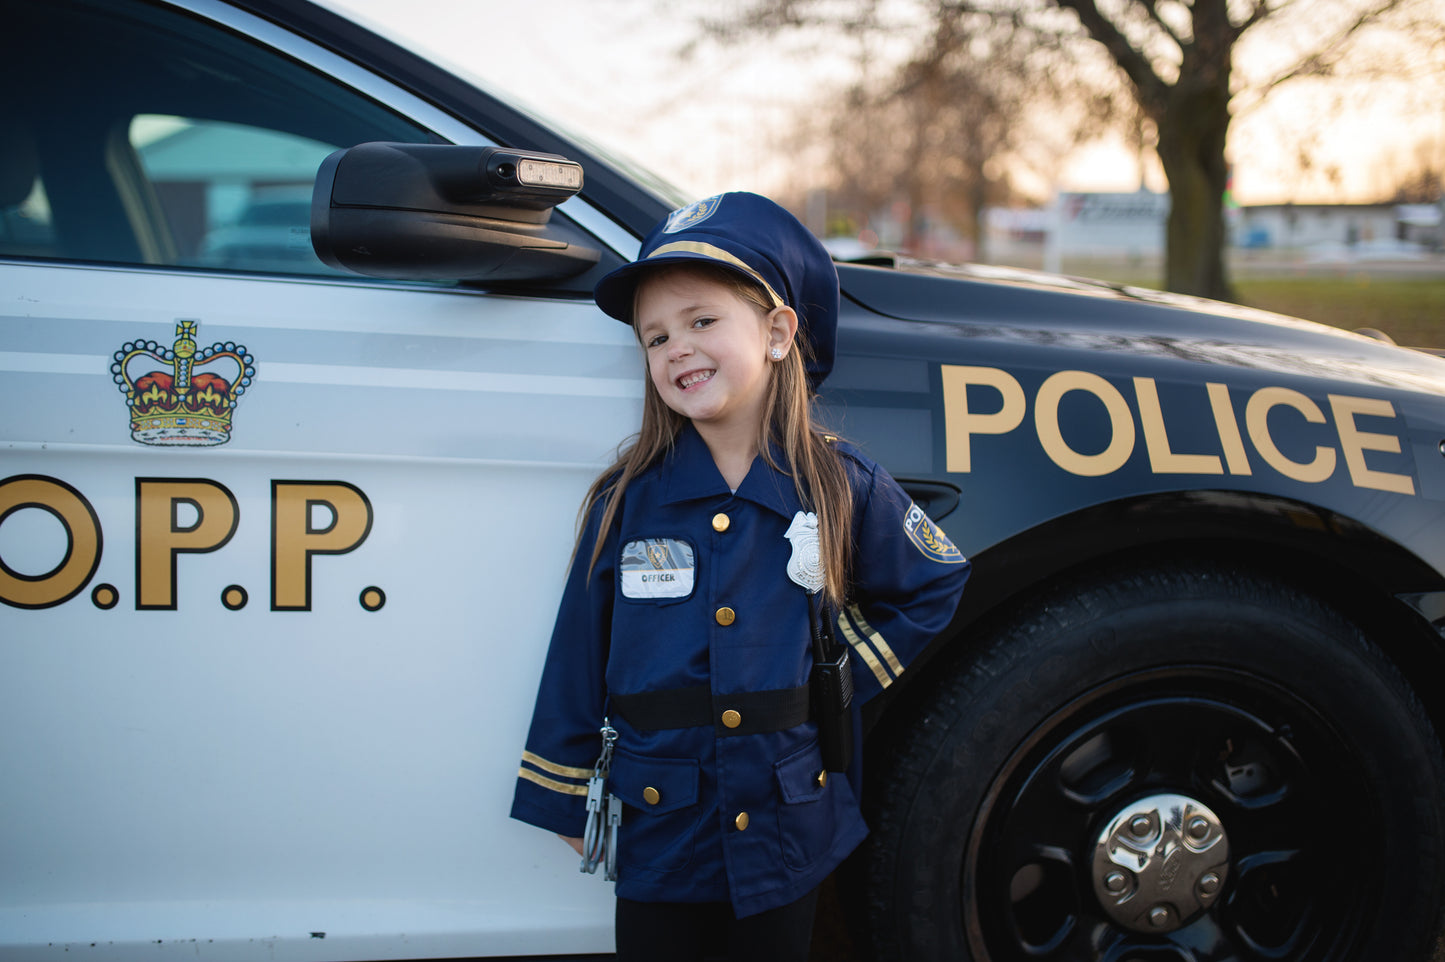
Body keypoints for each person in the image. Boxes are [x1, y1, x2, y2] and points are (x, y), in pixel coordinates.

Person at [510, 192, 970, 961]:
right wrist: (560, 785)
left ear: (779, 332)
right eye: (654, 337)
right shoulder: (628, 499)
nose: (675, 349)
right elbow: (577, 648)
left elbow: (934, 583)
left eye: (700, 321)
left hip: (787, 815)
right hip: (663, 820)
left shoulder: (837, 483)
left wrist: (834, 675)